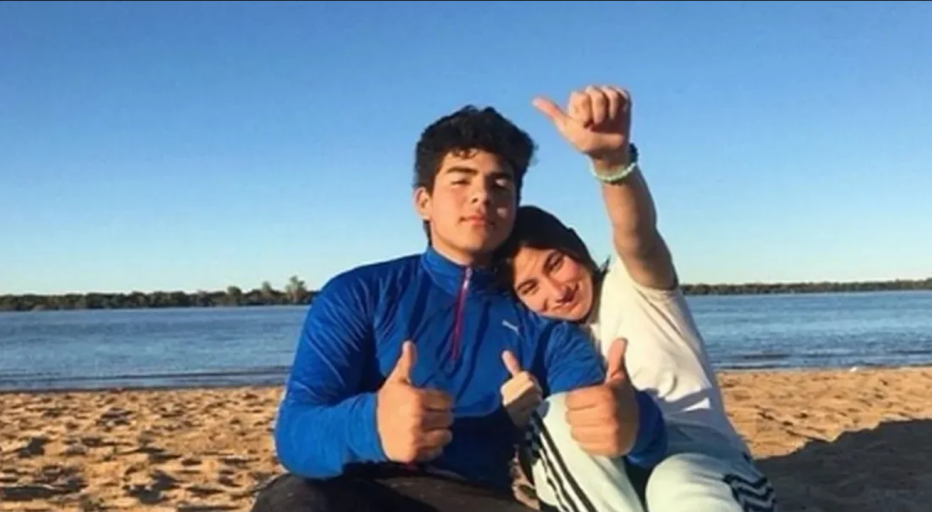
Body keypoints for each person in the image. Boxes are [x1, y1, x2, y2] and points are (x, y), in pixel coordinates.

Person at [250, 104, 669, 512]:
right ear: (423, 201)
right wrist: (372, 424)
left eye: (499, 185)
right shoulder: (358, 293)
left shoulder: (543, 321)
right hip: (353, 488)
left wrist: (637, 426)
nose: (482, 196)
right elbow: (295, 434)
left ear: (514, 206)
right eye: (460, 181)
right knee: (292, 500)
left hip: (475, 494)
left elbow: (598, 430)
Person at [497, 85, 778, 512]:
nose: (556, 291)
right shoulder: (550, 346)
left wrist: (610, 163)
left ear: (575, 245)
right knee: (553, 416)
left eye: (555, 264)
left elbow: (637, 234)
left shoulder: (634, 283)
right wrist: (522, 415)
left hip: (698, 455)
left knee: (673, 482)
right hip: (612, 480)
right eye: (530, 288)